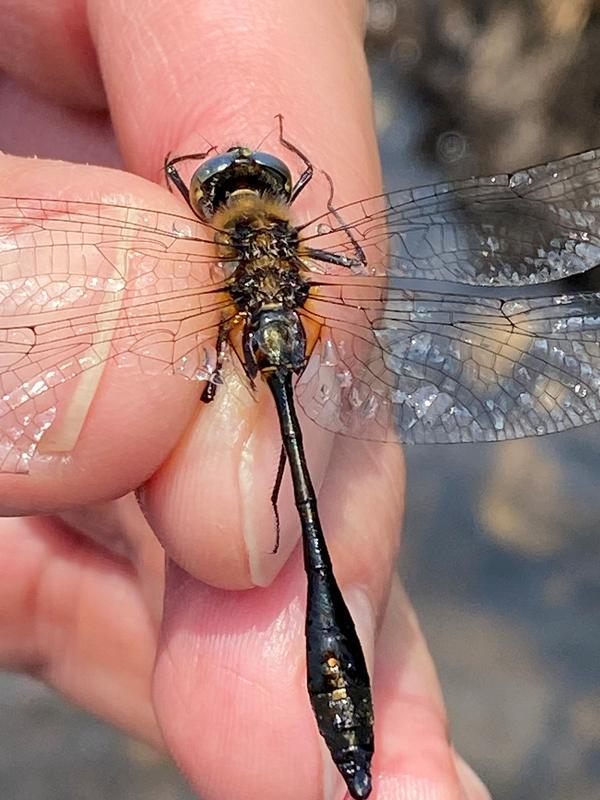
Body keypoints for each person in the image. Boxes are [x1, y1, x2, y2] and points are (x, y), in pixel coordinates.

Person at [0, 1, 491, 798]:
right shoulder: (306, 244)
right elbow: (357, 252)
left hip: (244, 346)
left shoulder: (206, 256)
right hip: (292, 345)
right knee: (297, 515)